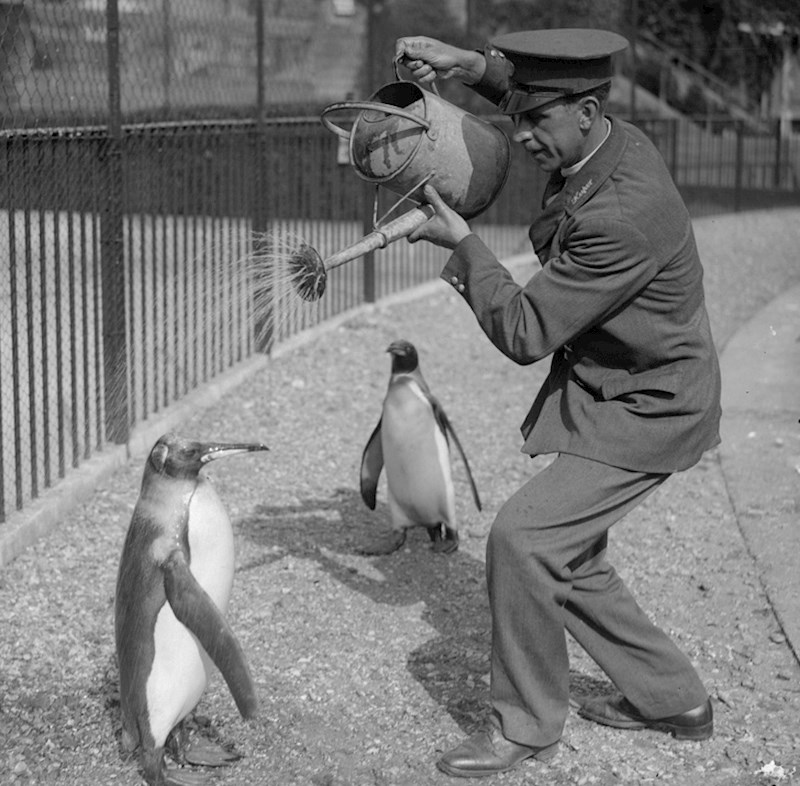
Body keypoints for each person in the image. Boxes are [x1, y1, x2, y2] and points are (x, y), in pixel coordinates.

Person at [393, 29, 722, 779]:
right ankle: (675, 699)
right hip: (620, 386)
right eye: (521, 117)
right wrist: (467, 66)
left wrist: (465, 244)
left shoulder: (621, 214)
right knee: (565, 555)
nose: (522, 135)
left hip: (651, 405)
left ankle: (525, 728)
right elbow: (531, 88)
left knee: (522, 540)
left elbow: (526, 329)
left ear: (587, 110)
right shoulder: (607, 139)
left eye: (538, 122)